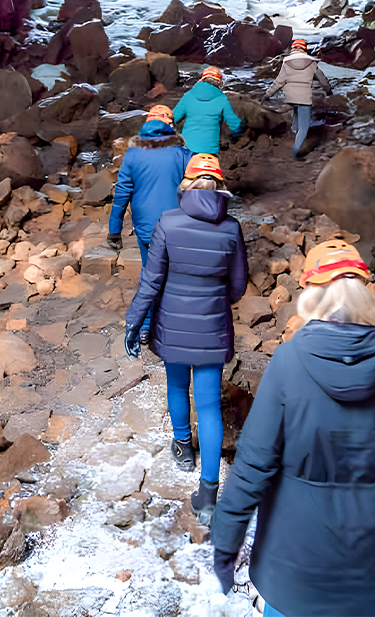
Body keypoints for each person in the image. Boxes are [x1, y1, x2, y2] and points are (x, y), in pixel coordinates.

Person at [211, 241, 375, 617]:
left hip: (294, 565)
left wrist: (225, 547)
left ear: (312, 294)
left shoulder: (288, 362)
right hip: (371, 566)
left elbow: (252, 466)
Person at [124, 152, 248, 525]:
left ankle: (182, 448)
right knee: (209, 405)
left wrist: (133, 322)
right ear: (220, 186)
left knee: (177, 385)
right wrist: (212, 298)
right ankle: (208, 496)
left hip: (172, 326)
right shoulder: (231, 228)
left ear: (187, 184)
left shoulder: (168, 223)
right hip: (212, 329)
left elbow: (151, 281)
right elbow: (238, 287)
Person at [107, 105, 190, 267]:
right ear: (171, 126)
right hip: (177, 228)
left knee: (151, 271)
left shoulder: (131, 155)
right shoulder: (184, 155)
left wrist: (114, 231)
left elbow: (121, 194)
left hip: (145, 229)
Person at [264, 38, 331, 161]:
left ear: (293, 49)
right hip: (304, 97)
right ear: (304, 49)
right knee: (304, 127)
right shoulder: (311, 62)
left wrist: (268, 94)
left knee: (296, 111)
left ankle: (293, 135)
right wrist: (328, 91)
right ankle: (296, 152)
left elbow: (279, 81)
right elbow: (322, 80)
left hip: (290, 96)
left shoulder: (286, 61)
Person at [172, 67, 244, 155]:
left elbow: (173, 117)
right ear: (219, 83)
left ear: (202, 80)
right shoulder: (222, 99)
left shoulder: (189, 95)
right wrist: (236, 136)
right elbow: (235, 124)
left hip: (188, 147)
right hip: (210, 149)